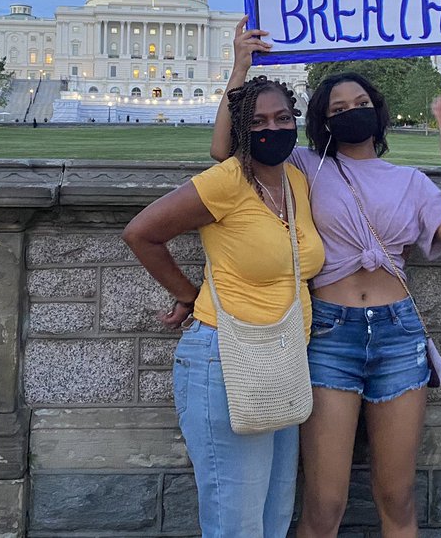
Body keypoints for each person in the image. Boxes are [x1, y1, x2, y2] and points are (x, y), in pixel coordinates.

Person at [211, 17, 441, 538]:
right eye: (338, 110)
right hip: (330, 332)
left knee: (396, 496)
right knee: (325, 501)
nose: (351, 114)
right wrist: (241, 65)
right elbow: (227, 151)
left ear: (377, 115)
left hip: (400, 335)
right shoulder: (306, 168)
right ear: (322, 123)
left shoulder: (411, 181)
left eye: (360, 106)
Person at [122, 75, 325, 537]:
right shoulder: (226, 181)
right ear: (239, 132)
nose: (271, 129)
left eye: (281, 118)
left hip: (284, 359)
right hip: (225, 357)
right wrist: (188, 296)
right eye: (256, 122)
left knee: (274, 517)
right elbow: (141, 233)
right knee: (236, 521)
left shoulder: (296, 180)